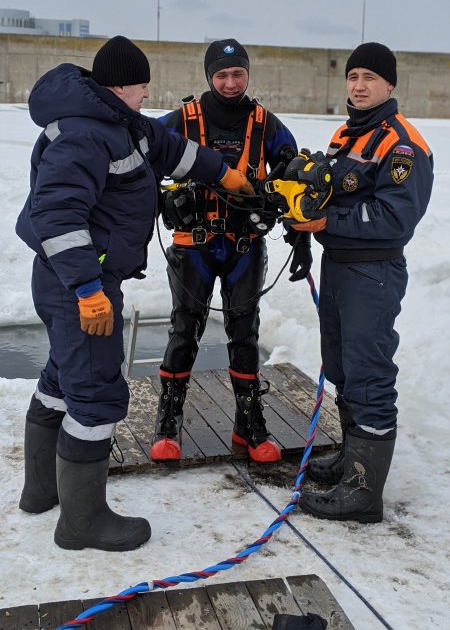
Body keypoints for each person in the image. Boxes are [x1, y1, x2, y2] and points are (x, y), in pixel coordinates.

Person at [15, 35, 254, 552]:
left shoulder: (122, 124)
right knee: (96, 393)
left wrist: (227, 175)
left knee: (62, 375)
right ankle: (83, 523)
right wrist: (85, 288)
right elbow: (55, 215)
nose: (148, 98)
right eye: (143, 89)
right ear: (121, 86)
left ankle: (40, 490)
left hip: (80, 281)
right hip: (79, 285)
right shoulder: (83, 135)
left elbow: (174, 150)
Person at [298, 42, 434, 523]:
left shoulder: (401, 144)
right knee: (343, 365)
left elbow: (396, 218)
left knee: (369, 372)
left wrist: (326, 220)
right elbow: (327, 193)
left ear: (390, 84)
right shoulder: (346, 135)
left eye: (370, 78)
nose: (359, 86)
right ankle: (352, 459)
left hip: (371, 273)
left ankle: (362, 494)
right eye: (353, 76)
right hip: (338, 266)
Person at [150, 38, 301, 464]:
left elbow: (296, 177)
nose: (231, 82)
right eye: (221, 75)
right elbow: (138, 154)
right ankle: (168, 422)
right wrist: (156, 204)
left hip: (245, 246)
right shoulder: (180, 120)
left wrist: (298, 231)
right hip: (192, 245)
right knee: (184, 332)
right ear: (208, 77)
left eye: (238, 74)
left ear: (248, 74)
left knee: (245, 335)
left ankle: (250, 423)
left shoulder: (267, 124)